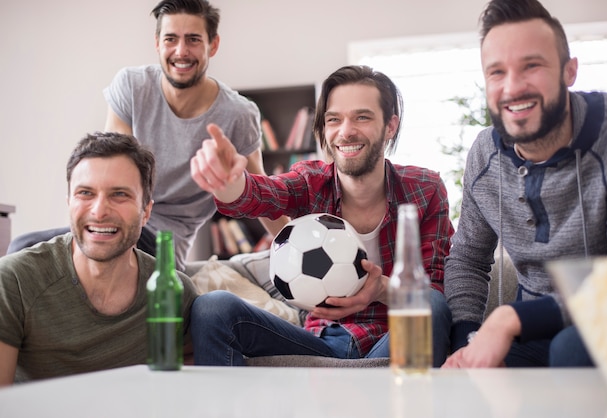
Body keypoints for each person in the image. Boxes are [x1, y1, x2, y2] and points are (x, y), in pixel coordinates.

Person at [188, 65, 455, 366]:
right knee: (212, 308)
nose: (345, 131)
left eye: (362, 117)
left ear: (390, 126)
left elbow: (438, 293)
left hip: (392, 342)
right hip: (321, 345)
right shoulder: (311, 182)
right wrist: (229, 182)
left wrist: (380, 290)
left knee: (428, 304)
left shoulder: (425, 190)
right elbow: (263, 194)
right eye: (334, 120)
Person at [8, 0, 286, 270]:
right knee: (21, 248)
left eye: (193, 39)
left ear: (212, 45)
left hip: (161, 241)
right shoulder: (132, 86)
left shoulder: (238, 114)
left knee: (135, 246)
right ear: (157, 43)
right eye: (170, 39)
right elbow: (112, 170)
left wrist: (292, 247)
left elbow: (261, 198)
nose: (181, 50)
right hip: (119, 218)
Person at [442, 0, 607, 368]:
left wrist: (511, 319)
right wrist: (469, 343)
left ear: (569, 71)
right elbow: (467, 259)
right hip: (534, 331)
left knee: (570, 349)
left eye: (532, 66)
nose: (513, 87)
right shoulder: (484, 155)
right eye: (497, 72)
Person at [0, 132, 199, 385]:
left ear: (146, 211)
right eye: (85, 193)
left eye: (119, 195)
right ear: (69, 203)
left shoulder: (174, 294)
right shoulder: (13, 282)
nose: (99, 211)